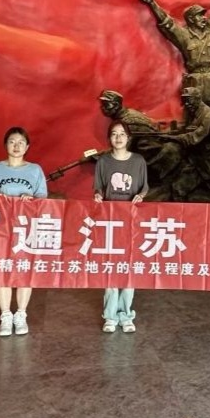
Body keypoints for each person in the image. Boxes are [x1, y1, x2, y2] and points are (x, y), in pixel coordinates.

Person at [0, 126, 48, 337]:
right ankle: (6, 315)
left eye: (21, 142)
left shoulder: (35, 170)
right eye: (12, 141)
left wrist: (31, 200)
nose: (16, 146)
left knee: (24, 271)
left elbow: (43, 198)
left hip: (26, 229)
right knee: (2, 270)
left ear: (27, 147)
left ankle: (21, 314)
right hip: (0, 229)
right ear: (5, 145)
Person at [94, 120, 148, 333]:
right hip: (110, 221)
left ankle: (126, 314)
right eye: (114, 134)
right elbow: (99, 188)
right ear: (109, 138)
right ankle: (110, 315)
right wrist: (98, 196)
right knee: (110, 266)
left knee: (129, 267)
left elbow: (144, 188)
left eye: (122, 134)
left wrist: (141, 197)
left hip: (132, 221)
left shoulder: (138, 161)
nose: (118, 138)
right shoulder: (103, 161)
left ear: (128, 138)